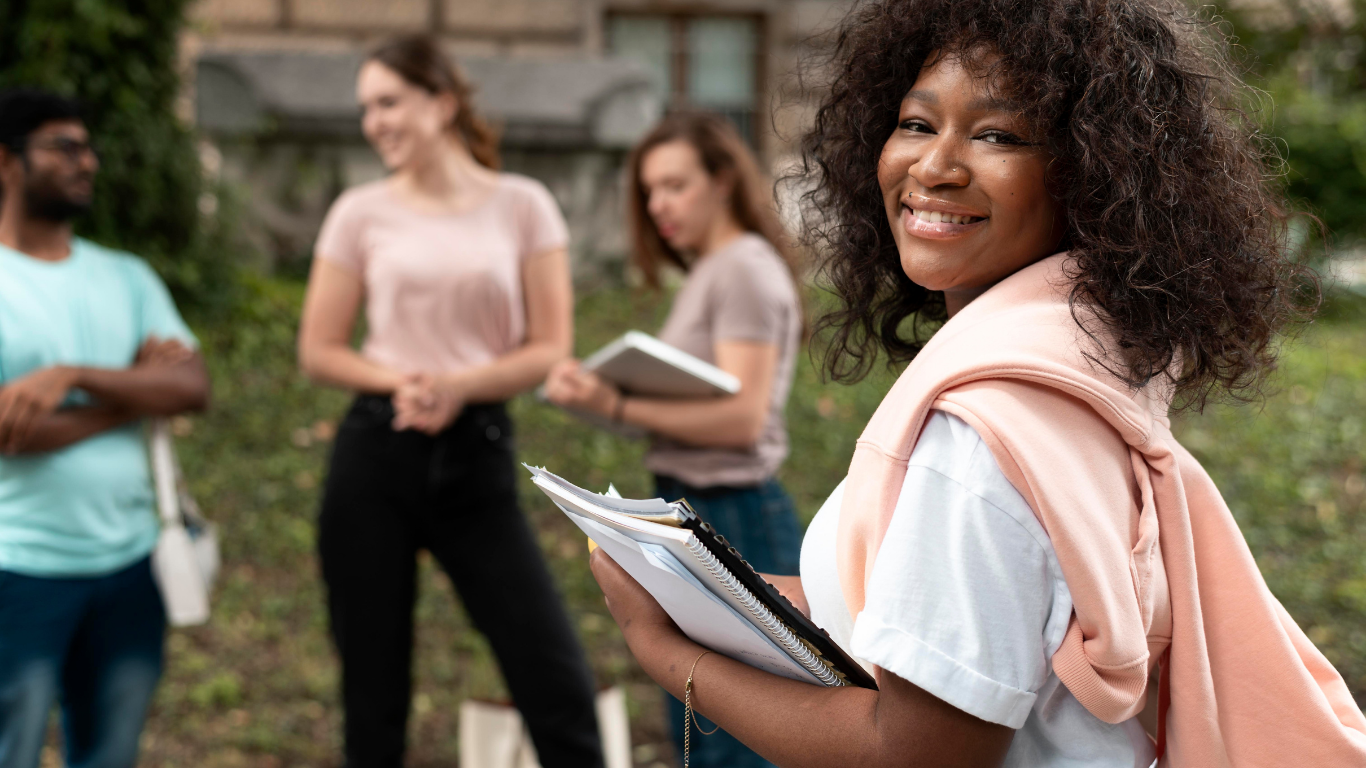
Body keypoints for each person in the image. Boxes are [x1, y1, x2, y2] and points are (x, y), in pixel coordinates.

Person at [584, 1, 1366, 766]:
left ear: (1095, 173)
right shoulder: (1087, 363)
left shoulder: (978, 434)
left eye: (998, 134)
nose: (934, 166)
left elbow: (918, 751)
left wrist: (665, 655)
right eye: (917, 124)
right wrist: (723, 591)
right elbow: (945, 616)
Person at [297, 34, 602, 768]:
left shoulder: (523, 205)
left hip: (477, 456)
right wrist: (402, 382)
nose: (375, 122)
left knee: (552, 674)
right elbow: (320, 349)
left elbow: (547, 345)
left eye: (389, 102)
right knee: (373, 692)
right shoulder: (358, 212)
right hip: (376, 453)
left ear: (440, 104)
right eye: (367, 107)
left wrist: (457, 387)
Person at [544, 111, 804, 768]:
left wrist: (620, 402)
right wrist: (605, 402)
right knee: (702, 725)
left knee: (736, 740)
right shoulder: (714, 269)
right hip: (694, 506)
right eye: (650, 190)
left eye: (675, 184)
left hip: (734, 513)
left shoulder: (741, 267)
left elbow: (744, 420)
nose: (659, 204)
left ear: (723, 180)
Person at [0, 89, 210, 768]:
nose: (86, 161)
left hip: (130, 566)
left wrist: (67, 376)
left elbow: (190, 386)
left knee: (112, 755)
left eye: (88, 147)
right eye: (64, 146)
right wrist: (130, 394)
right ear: (7, 163)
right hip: (18, 568)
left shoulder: (128, 277)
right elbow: (8, 432)